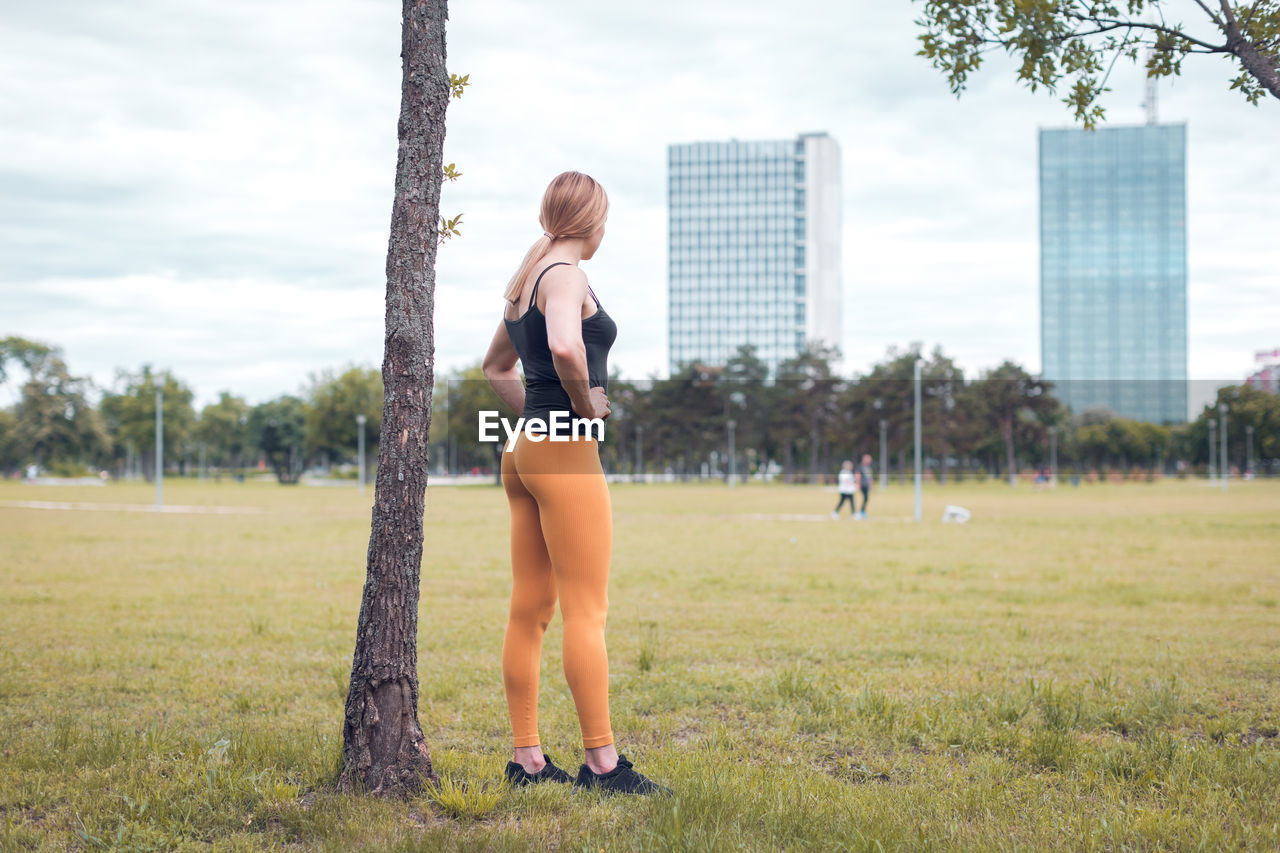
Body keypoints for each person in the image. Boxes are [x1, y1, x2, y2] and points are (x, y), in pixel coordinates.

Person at [482, 171, 667, 796]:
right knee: (586, 612)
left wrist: (539, 418)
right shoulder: (565, 275)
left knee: (529, 608)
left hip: (524, 451)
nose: (607, 228)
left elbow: (495, 367)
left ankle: (527, 761)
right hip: (564, 453)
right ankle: (603, 765)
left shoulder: (523, 280)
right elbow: (565, 344)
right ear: (591, 220)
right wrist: (586, 403)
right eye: (606, 216)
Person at [856, 453, 874, 519]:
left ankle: (862, 511)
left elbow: (870, 477)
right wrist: (858, 484)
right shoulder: (860, 466)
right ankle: (861, 512)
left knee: (866, 498)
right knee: (866, 498)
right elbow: (857, 475)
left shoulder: (868, 467)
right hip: (862, 484)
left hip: (866, 485)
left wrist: (871, 484)